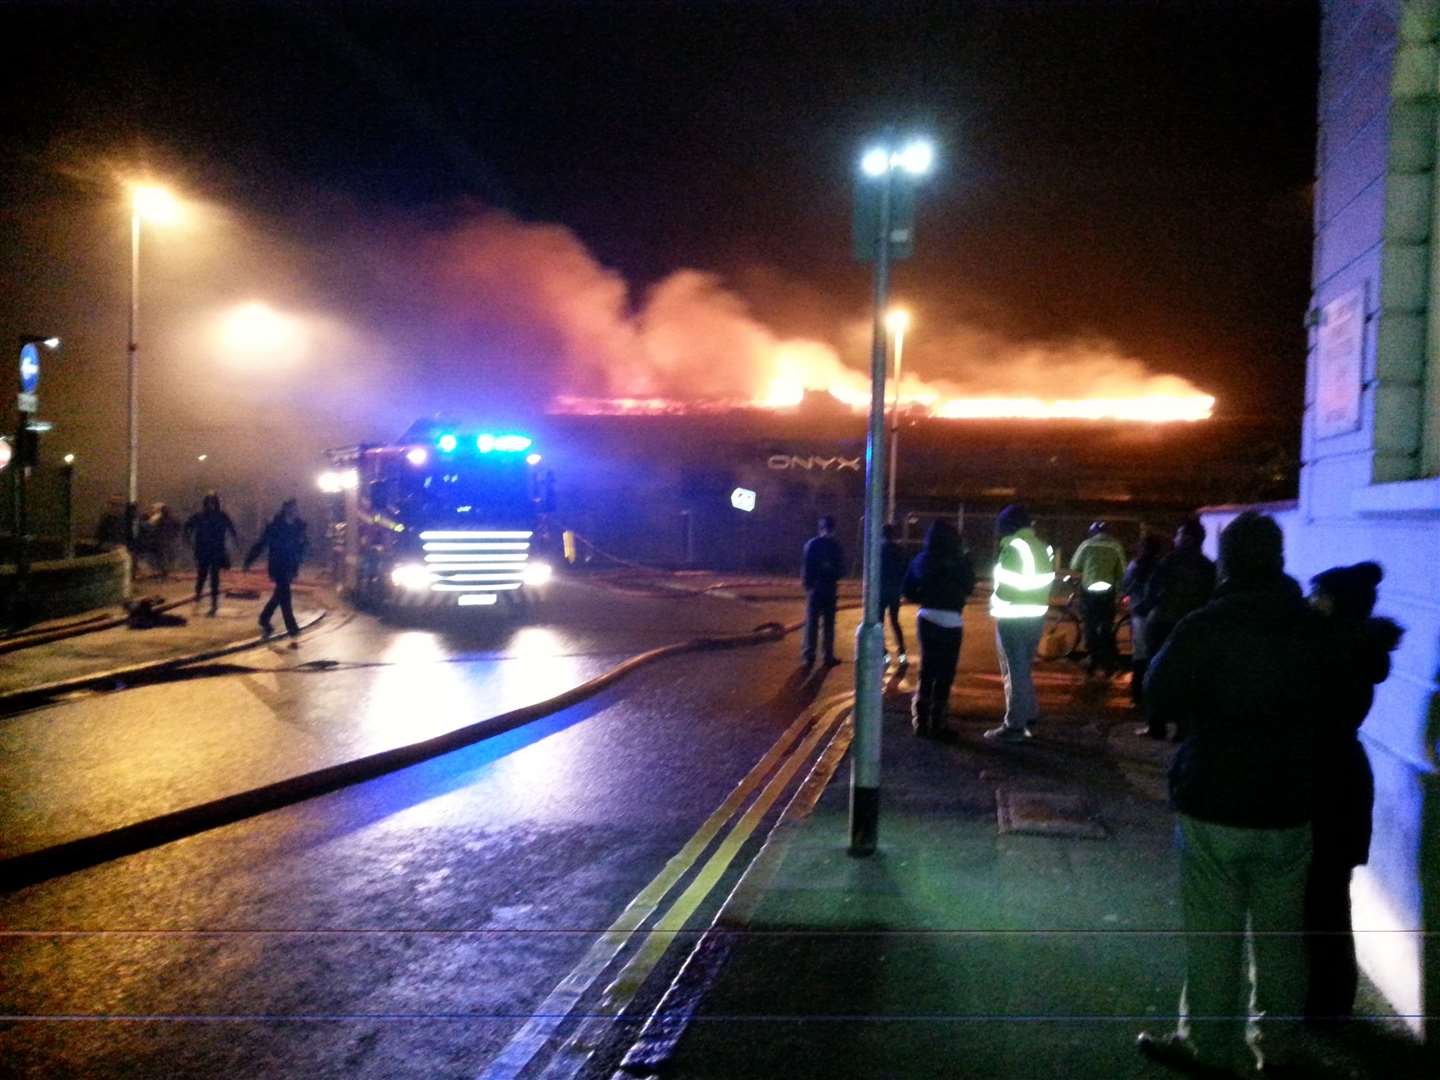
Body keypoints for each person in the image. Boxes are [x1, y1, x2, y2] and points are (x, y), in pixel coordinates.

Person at [1137, 511, 1329, 1076]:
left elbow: (1158, 693)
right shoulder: (1310, 626)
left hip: (1215, 798)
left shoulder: (1205, 624)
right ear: (1278, 558)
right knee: (1280, 934)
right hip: (1290, 802)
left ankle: (1206, 1045)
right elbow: (1339, 701)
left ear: (1227, 561)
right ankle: (1279, 1048)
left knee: (1213, 934)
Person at [1304, 562, 1402, 1022]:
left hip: (1320, 779)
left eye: (1318, 594)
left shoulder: (1327, 651)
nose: (1310, 601)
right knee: (1329, 897)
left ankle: (1320, 1002)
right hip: (1345, 779)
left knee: (1315, 899)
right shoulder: (1359, 650)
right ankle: (1332, 999)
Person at [1135, 517, 1216, 739]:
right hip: (1192, 627)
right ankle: (1182, 727)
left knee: (1156, 673)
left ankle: (1156, 724)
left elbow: (1153, 590)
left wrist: (1142, 608)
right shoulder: (1208, 567)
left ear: (1188, 538)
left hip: (1163, 624)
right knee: (1187, 677)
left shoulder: (1169, 562)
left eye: (1180, 534)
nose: (1177, 538)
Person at [984, 503, 1054, 742]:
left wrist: (995, 599)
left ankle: (1014, 726)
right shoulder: (1043, 547)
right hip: (1036, 616)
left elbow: (1005, 588)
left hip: (1012, 617)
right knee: (1024, 669)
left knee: (1013, 672)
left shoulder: (1013, 548)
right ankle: (1029, 712)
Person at [902, 520, 975, 737]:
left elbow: (907, 590)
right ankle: (938, 722)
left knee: (927, 670)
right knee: (945, 673)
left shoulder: (922, 559)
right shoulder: (959, 560)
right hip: (952, 620)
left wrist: (925, 597)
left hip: (927, 616)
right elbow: (969, 587)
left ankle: (921, 722)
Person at [1069, 520, 1127, 676]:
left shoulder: (1086, 545)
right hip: (1107, 591)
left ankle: (1092, 659)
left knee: (1090, 624)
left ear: (1093, 532)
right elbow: (1122, 570)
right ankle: (1107, 661)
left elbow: (1074, 565)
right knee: (1106, 625)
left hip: (1089, 590)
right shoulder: (1116, 546)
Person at [245, 498, 309, 640]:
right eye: (292, 508)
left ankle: (264, 617)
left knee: (279, 594)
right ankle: (292, 627)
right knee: (285, 594)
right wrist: (249, 560)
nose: (294, 511)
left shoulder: (299, 526)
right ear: (285, 509)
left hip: (291, 565)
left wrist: (302, 549)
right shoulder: (275, 526)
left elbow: (303, 545)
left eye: (296, 509)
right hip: (278, 564)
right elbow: (262, 543)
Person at [1122, 531, 1168, 710]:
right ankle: (1153, 694)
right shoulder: (1161, 566)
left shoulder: (1135, 565)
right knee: (1154, 654)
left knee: (1138, 655)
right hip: (1156, 614)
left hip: (1138, 612)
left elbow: (1126, 585)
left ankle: (1136, 695)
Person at [800, 515, 845, 668]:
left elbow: (806, 567)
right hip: (829, 588)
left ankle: (809, 656)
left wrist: (808, 585)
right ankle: (828, 656)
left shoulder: (812, 544)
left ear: (820, 528)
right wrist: (832, 572)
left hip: (815, 589)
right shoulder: (836, 546)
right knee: (828, 624)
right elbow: (841, 570)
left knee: (812, 623)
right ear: (833, 529)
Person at [183, 492, 239, 615]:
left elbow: (232, 530)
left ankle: (213, 605)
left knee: (214, 579)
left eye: (213, 502)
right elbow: (187, 527)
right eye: (209, 503)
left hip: (216, 551)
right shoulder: (200, 516)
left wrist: (235, 542)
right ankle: (198, 597)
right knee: (202, 576)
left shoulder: (221, 516)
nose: (211, 505)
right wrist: (188, 541)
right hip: (203, 550)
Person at [880, 523, 909, 664]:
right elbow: (904, 569)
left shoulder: (878, 550)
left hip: (880, 591)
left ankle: (883, 654)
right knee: (895, 621)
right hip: (894, 590)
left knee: (879, 623)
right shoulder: (899, 550)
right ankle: (902, 653)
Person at [143, 502, 182, 579]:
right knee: (164, 556)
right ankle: (164, 571)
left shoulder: (159, 519)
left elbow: (150, 527)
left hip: (162, 540)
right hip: (165, 540)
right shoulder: (168, 518)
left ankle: (164, 571)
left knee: (163, 557)